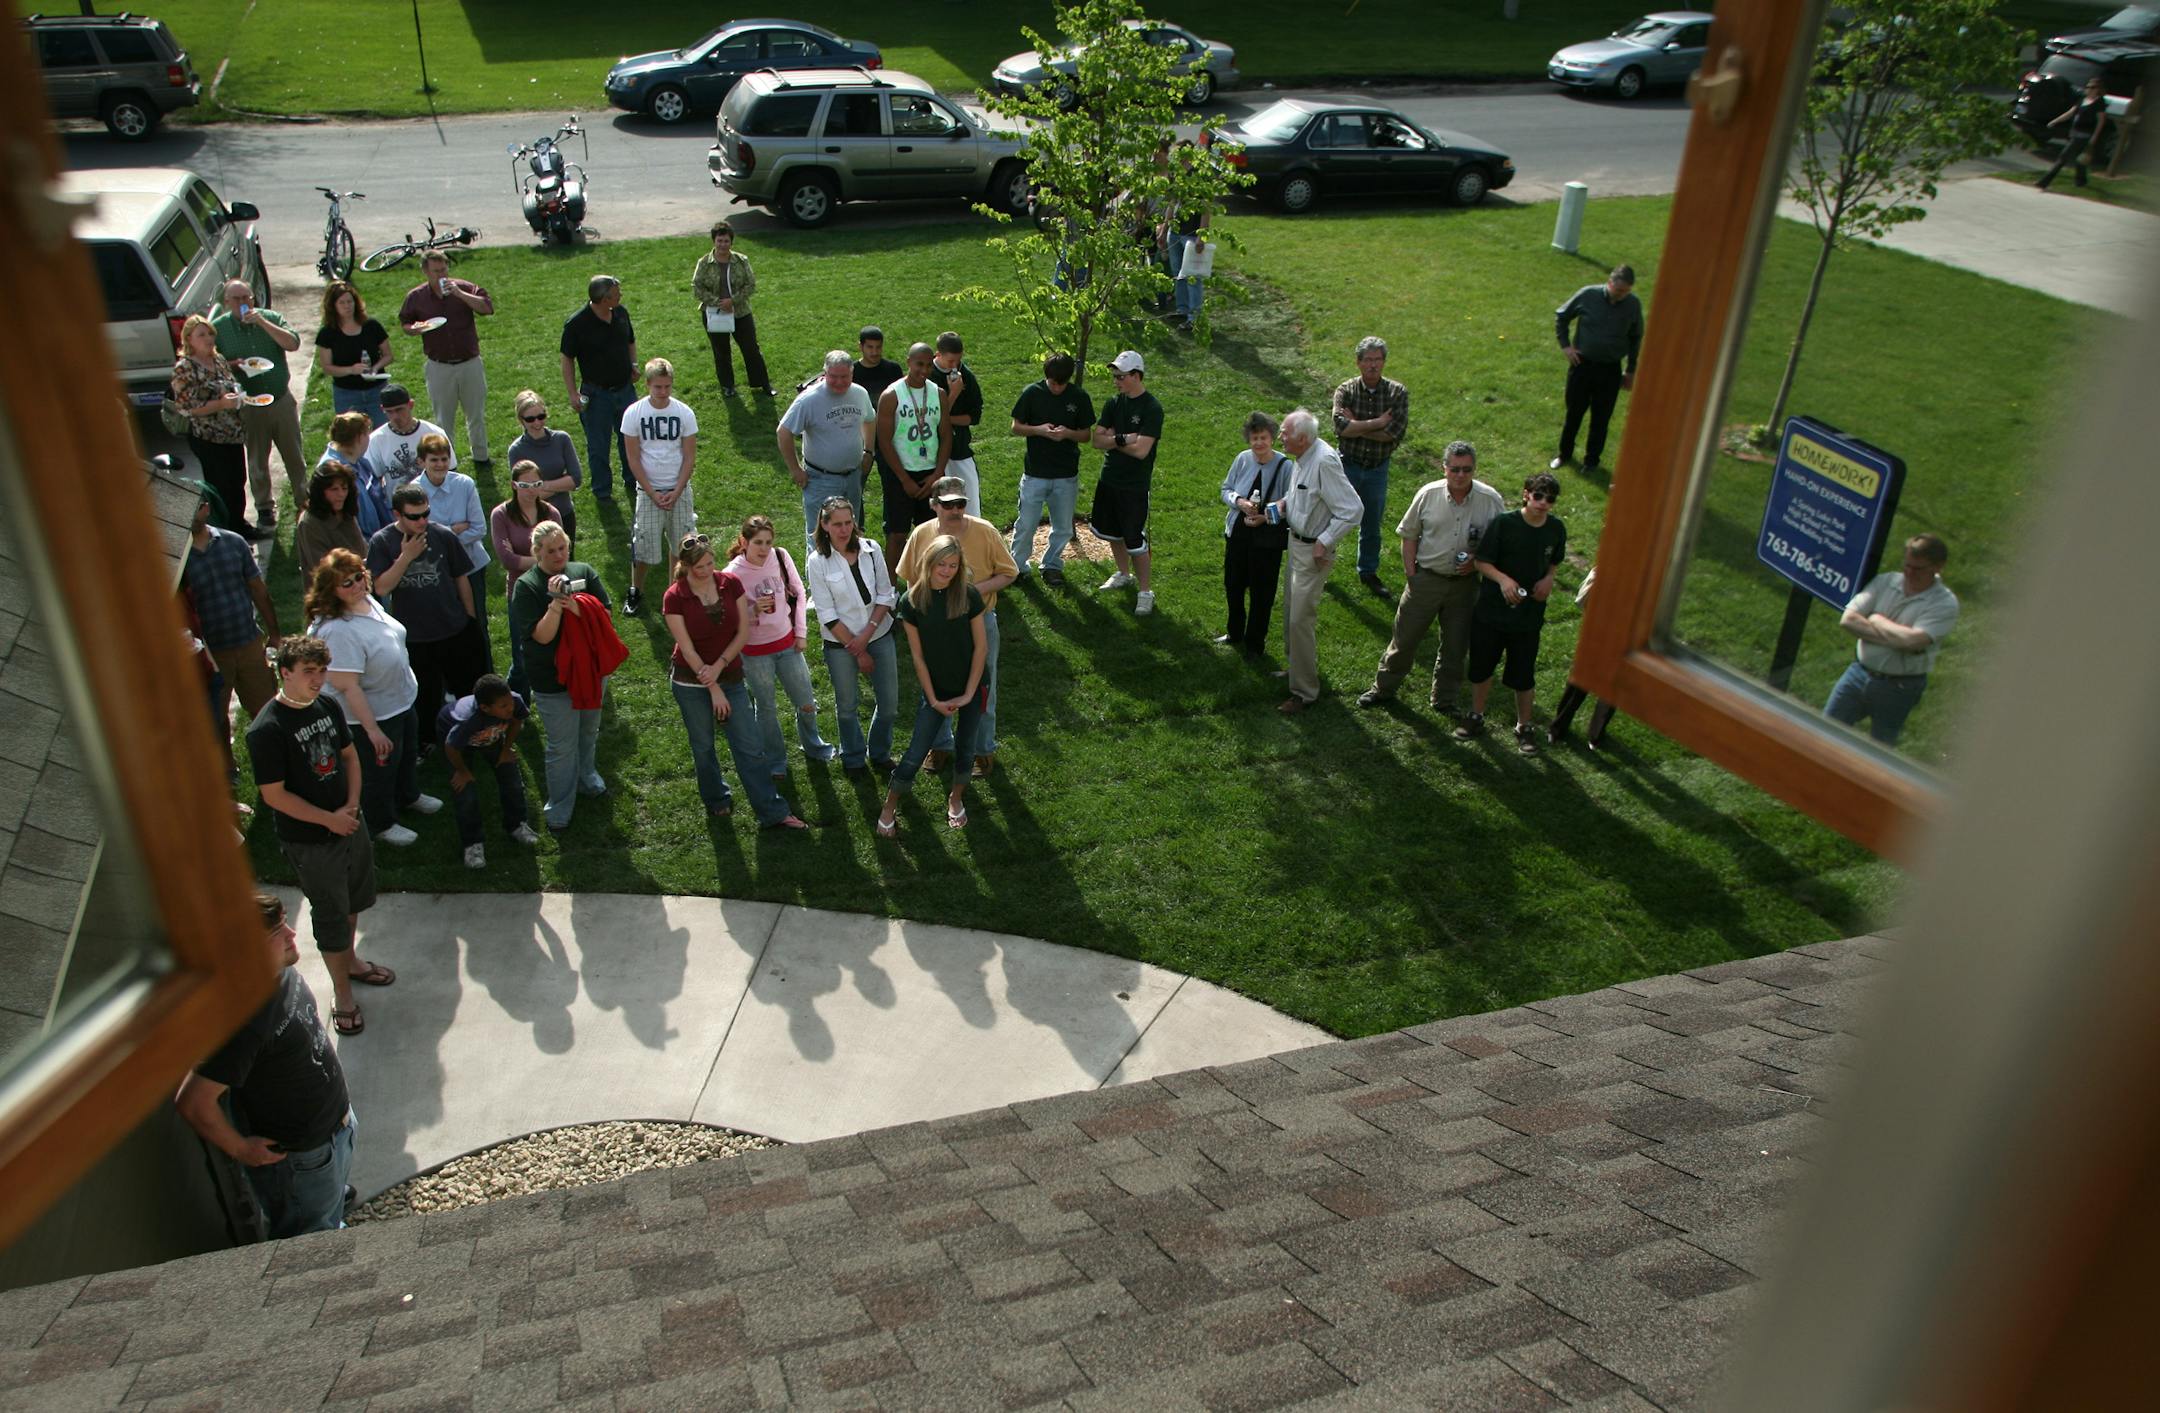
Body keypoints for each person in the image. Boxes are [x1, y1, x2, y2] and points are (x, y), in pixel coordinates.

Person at [173, 891, 358, 1237]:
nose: (291, 934)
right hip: (302, 1160)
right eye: (277, 934)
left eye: (285, 922)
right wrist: (242, 1149)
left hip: (335, 1130)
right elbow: (194, 1102)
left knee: (325, 1213)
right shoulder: (243, 1021)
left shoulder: (280, 974)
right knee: (307, 1242)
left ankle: (330, 1212)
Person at [242, 635, 394, 1036]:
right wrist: (329, 820)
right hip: (311, 842)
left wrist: (352, 806)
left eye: (322, 670)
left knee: (354, 899)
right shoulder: (267, 730)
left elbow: (348, 755)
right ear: (285, 672)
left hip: (348, 824)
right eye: (309, 672)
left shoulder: (326, 705)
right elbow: (274, 796)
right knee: (329, 915)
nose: (318, 679)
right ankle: (343, 996)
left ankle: (353, 961)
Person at [662, 533, 805, 829]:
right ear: (686, 568)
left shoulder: (729, 584)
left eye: (711, 563)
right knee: (703, 746)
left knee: (750, 746)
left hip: (729, 675)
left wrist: (721, 667)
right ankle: (717, 800)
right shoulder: (675, 596)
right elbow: (686, 649)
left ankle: (773, 812)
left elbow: (741, 631)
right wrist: (712, 687)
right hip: (691, 682)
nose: (707, 571)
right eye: (700, 567)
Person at [1358, 439, 1506, 716]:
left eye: (1467, 470)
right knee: (1404, 641)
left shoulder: (1490, 501)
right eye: (1455, 469)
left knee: (1455, 647)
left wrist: (1477, 563)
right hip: (1426, 579)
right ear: (1444, 468)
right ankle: (1383, 689)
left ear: (1474, 469)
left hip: (1464, 587)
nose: (1461, 476)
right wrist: (1412, 575)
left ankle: (1444, 699)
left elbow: (1501, 544)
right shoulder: (1428, 494)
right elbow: (1409, 534)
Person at [305, 550, 437, 847]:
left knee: (405, 756)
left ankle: (409, 796)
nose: (356, 586)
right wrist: (373, 731)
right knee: (378, 772)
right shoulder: (338, 630)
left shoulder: (365, 601)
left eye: (357, 577)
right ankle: (381, 823)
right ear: (331, 591)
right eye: (346, 584)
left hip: (399, 701)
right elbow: (349, 687)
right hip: (371, 716)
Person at [898, 476, 1018, 778]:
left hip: (980, 621)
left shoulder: (985, 531)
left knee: (982, 690)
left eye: (960, 503)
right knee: (937, 685)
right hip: (935, 626)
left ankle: (982, 750)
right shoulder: (922, 534)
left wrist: (972, 592)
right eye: (948, 504)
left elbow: (1009, 572)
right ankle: (940, 746)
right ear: (934, 505)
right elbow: (911, 578)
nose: (955, 510)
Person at [876, 535, 987, 838]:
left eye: (953, 565)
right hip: (935, 690)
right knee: (914, 752)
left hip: (973, 686)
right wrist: (934, 699)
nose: (948, 571)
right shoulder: (910, 602)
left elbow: (981, 649)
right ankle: (889, 806)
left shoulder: (968, 595)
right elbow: (918, 657)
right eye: (942, 564)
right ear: (929, 563)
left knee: (966, 748)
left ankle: (955, 798)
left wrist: (968, 693)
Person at [507, 521, 614, 830]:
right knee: (561, 745)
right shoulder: (527, 587)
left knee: (588, 730)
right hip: (553, 679)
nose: (558, 555)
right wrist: (556, 604)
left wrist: (579, 608)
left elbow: (605, 616)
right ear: (537, 552)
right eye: (550, 550)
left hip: (591, 672)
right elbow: (540, 637)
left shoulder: (583, 571)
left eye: (562, 548)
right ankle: (559, 805)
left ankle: (587, 775)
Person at [1456, 473, 1568, 755]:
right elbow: (1481, 562)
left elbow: (1554, 560)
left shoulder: (1555, 529)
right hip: (1491, 613)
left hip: (1528, 617)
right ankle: (1476, 716)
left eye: (1550, 499)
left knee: (1523, 674)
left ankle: (1524, 726)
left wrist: (1549, 578)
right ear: (1526, 494)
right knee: (1482, 668)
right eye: (1539, 496)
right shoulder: (1504, 524)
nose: (1543, 503)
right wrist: (1504, 581)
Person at [366, 484, 483, 749]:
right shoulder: (382, 542)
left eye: (426, 514)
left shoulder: (443, 536)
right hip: (415, 637)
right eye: (414, 516)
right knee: (425, 696)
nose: (422, 521)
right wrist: (406, 557)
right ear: (397, 514)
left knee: (466, 688)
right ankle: (428, 741)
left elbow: (461, 578)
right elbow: (381, 588)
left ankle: (472, 735)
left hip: (454, 628)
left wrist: (470, 619)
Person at [1823, 533, 1959, 747]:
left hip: (1900, 687)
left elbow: (1913, 642)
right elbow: (1848, 620)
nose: (1909, 573)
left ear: (1938, 567)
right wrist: (1897, 639)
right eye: (1907, 565)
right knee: (1824, 733)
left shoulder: (1944, 603)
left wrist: (1876, 619)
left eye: (1917, 568)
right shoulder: (1886, 582)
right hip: (1858, 673)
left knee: (1878, 750)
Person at [724, 515, 836, 774]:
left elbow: (798, 592)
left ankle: (813, 745)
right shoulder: (731, 574)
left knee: (806, 701)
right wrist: (752, 610)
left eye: (768, 542)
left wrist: (801, 633)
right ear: (743, 542)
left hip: (788, 646)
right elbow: (728, 619)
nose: (764, 549)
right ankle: (775, 761)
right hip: (754, 654)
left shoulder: (781, 556)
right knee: (766, 709)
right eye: (758, 543)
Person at [1274, 408, 1363, 714]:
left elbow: (1352, 509)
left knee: (1300, 619)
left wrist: (1325, 542)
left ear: (1303, 438)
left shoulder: (1323, 462)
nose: (1280, 438)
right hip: (1295, 542)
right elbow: (1305, 496)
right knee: (1289, 611)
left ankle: (1304, 692)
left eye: (1285, 433)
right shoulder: (1302, 456)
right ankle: (1295, 668)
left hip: (1313, 553)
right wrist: (1282, 507)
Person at [806, 497, 897, 777]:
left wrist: (866, 636)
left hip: (878, 633)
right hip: (840, 642)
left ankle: (879, 752)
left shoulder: (872, 550)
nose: (844, 530)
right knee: (847, 706)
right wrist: (857, 650)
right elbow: (827, 614)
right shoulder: (818, 561)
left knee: (890, 703)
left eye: (848, 523)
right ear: (824, 525)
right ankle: (854, 757)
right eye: (837, 524)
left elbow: (886, 594)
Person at [181, 491, 280, 738]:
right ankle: (227, 769)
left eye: (199, 505)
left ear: (207, 509)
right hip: (213, 653)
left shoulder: (234, 542)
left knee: (267, 709)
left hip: (248, 643)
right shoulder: (178, 558)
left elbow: (258, 590)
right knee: (216, 716)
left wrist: (274, 633)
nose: (194, 511)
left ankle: (273, 755)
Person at [211, 279, 305, 532]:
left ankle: (303, 500)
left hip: (279, 398)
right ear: (227, 303)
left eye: (247, 298)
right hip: (250, 403)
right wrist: (233, 365)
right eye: (237, 299)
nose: (244, 303)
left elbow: (293, 343)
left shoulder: (270, 318)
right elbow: (211, 364)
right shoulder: (219, 330)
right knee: (257, 459)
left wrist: (263, 323)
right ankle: (265, 507)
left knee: (294, 455)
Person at [397, 252, 495, 466]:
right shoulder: (416, 297)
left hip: (469, 363)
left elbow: (487, 308)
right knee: (443, 419)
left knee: (476, 414)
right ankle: (447, 462)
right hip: (439, 366)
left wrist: (460, 294)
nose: (442, 274)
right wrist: (414, 329)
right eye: (436, 271)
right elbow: (405, 322)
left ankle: (481, 456)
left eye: (444, 269)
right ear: (425, 271)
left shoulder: (464, 287)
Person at [1331, 335, 1411, 597]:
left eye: (1378, 360)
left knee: (1371, 522)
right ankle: (1321, 562)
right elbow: (1340, 428)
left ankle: (1368, 571)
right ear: (1358, 362)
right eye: (1368, 360)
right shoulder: (1345, 391)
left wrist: (1358, 426)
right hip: (1347, 465)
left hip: (1377, 468)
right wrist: (1377, 422)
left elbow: (1394, 434)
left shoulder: (1397, 393)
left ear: (1384, 362)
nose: (1373, 365)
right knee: (1332, 515)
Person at [1008, 353, 1095, 587]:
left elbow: (1086, 435)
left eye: (1061, 383)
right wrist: (1039, 430)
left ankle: (1052, 565)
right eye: (1052, 382)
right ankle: (1017, 567)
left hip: (1066, 474)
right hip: (1035, 472)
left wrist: (1067, 433)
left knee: (1063, 527)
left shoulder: (1079, 397)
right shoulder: (1032, 393)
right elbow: (1016, 427)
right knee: (1026, 523)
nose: (1056, 388)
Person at [621, 357, 699, 616]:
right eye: (658, 387)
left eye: (667, 387)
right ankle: (636, 590)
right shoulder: (634, 413)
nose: (663, 392)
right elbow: (632, 458)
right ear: (647, 385)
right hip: (648, 491)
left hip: (679, 490)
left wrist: (677, 490)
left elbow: (689, 456)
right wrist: (652, 492)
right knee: (643, 547)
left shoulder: (684, 413)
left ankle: (673, 595)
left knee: (681, 546)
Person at [1090, 350, 1165, 614]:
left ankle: (1145, 591)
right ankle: (1123, 574)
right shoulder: (1114, 403)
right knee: (1112, 532)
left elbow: (1142, 451)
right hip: (1109, 479)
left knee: (1134, 539)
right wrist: (1125, 439)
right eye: (1115, 376)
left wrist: (1113, 440)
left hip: (1134, 486)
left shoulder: (1152, 408)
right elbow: (1096, 440)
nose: (1116, 381)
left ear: (1136, 376)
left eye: (1121, 377)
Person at [438, 674, 541, 867]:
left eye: (510, 701)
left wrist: (506, 748)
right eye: (503, 706)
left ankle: (517, 825)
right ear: (485, 708)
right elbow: (451, 747)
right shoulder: (468, 720)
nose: (510, 707)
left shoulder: (514, 701)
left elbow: (517, 721)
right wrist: (462, 771)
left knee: (512, 780)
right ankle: (472, 843)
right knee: (465, 792)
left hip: (490, 737)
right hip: (457, 745)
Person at [1552, 264, 1644, 478]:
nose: (1621, 295)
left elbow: (1635, 338)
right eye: (1618, 290)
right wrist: (1566, 346)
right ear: (1610, 283)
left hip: (1610, 369)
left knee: (1601, 418)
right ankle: (1564, 454)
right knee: (1574, 412)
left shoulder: (1632, 305)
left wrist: (1630, 370)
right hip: (1582, 365)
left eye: (1626, 292)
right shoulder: (1588, 295)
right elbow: (1562, 316)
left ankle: (1591, 461)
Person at [1215, 411, 1293, 662]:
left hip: (1267, 538)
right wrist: (1239, 502)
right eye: (1254, 438)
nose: (1259, 443)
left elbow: (1291, 501)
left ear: (1272, 438)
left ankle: (1255, 644)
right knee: (1233, 585)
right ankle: (1234, 632)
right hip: (1238, 531)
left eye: (1263, 437)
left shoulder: (1285, 466)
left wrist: (1265, 516)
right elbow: (1226, 489)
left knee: (1262, 592)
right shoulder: (1242, 459)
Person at [778, 351, 875, 546]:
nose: (839, 382)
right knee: (819, 538)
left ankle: (849, 574)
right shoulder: (809, 399)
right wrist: (795, 469)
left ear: (852, 373)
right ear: (825, 373)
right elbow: (783, 432)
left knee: (849, 533)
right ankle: (818, 575)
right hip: (820, 480)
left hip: (853, 476)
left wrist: (869, 451)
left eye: (844, 377)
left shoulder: (859, 393)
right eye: (833, 377)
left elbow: (870, 419)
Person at [170, 314, 254, 537]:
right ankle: (224, 530)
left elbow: (230, 386)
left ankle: (239, 523)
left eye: (210, 334)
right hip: (208, 438)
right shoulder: (185, 368)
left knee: (238, 481)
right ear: (189, 339)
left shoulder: (219, 360)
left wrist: (237, 397)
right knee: (220, 485)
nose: (208, 338)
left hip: (232, 434)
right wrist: (220, 404)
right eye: (201, 334)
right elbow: (186, 407)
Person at [560, 274, 639, 501]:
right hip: (596, 395)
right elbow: (567, 358)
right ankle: (602, 491)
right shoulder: (577, 324)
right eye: (616, 294)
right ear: (604, 300)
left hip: (625, 390)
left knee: (630, 439)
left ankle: (633, 481)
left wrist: (633, 364)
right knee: (598, 446)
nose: (621, 297)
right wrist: (573, 392)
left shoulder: (621, 313)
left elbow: (630, 341)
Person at [410, 433, 494, 639]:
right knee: (446, 624)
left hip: (471, 565)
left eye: (444, 459)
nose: (440, 465)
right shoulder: (413, 491)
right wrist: (454, 530)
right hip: (438, 571)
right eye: (434, 460)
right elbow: (419, 537)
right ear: (422, 462)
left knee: (478, 622)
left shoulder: (464, 484)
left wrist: (441, 534)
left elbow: (479, 529)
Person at [490, 461, 563, 696]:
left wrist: (531, 558)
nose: (532, 490)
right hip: (520, 591)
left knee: (556, 646)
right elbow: (508, 561)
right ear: (514, 485)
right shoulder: (501, 515)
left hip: (551, 589)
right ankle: (516, 704)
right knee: (522, 655)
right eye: (525, 485)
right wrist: (545, 558)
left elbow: (561, 554)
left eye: (537, 484)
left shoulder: (551, 513)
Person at [875, 341, 949, 567]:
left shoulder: (938, 394)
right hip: (901, 473)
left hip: (930, 473)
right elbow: (884, 441)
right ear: (908, 362)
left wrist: (937, 473)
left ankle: (927, 584)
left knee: (930, 533)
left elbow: (946, 435)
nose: (924, 371)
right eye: (919, 364)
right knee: (897, 534)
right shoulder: (891, 395)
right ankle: (889, 591)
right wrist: (904, 479)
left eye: (928, 366)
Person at [693, 219, 772, 397]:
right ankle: (728, 386)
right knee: (721, 352)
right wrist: (718, 302)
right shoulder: (704, 263)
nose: (723, 244)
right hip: (714, 314)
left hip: (741, 312)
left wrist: (733, 301)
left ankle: (763, 384)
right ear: (714, 241)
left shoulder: (741, 260)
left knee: (751, 348)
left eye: (726, 241)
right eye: (719, 240)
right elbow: (696, 287)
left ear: (731, 242)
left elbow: (751, 284)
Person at [505, 389, 582, 542]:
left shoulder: (561, 439)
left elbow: (576, 479)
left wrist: (540, 486)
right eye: (530, 419)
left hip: (564, 513)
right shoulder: (516, 450)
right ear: (521, 420)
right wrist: (560, 485)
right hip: (534, 520)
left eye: (541, 416)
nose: (537, 423)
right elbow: (523, 492)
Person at [315, 279, 392, 428]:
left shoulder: (371, 326)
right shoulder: (327, 334)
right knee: (351, 437)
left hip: (377, 390)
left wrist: (375, 368)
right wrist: (351, 370)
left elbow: (388, 355)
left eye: (350, 302)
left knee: (383, 433)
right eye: (342, 303)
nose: (347, 306)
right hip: (347, 393)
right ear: (333, 306)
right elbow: (327, 367)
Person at [931, 331, 985, 515]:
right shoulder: (928, 376)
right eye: (950, 361)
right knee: (939, 506)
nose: (955, 366)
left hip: (960, 449)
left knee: (971, 505)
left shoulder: (966, 375)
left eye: (958, 360)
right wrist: (953, 393)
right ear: (938, 355)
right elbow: (932, 418)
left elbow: (974, 417)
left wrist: (947, 420)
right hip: (933, 453)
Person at [317, 410, 394, 539]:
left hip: (380, 536)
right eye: (367, 433)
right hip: (361, 543)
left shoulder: (359, 461)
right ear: (360, 437)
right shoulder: (333, 471)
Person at [367, 384, 455, 486]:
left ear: (411, 405)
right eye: (389, 412)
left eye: (399, 409)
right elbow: (373, 481)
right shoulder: (376, 440)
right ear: (382, 409)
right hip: (396, 500)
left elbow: (451, 473)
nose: (395, 416)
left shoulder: (434, 433)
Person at [295, 461, 367, 584]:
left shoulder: (346, 511)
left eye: (344, 488)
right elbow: (323, 569)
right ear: (320, 491)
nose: (341, 494)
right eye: (334, 489)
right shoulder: (309, 523)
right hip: (332, 593)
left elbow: (362, 547)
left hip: (361, 583)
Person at [2040, 76, 2110, 190]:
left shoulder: (2099, 103)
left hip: (2084, 135)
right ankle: (2081, 181)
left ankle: (2045, 181)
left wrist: (2094, 138)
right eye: (2088, 87)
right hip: (2075, 132)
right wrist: (2055, 121)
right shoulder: (2082, 99)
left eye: (2092, 87)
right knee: (2079, 159)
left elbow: (2101, 122)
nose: (2089, 89)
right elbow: (2071, 113)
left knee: (2063, 156)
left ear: (2098, 89)